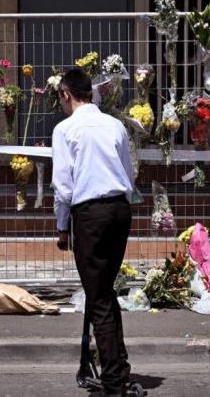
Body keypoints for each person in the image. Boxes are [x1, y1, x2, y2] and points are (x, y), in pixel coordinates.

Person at [51, 68, 135, 397]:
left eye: (60, 95)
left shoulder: (65, 129)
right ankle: (119, 367)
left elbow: (63, 186)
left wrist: (61, 227)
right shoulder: (115, 125)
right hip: (119, 210)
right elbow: (128, 173)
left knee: (98, 297)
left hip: (91, 214)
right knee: (106, 290)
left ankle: (114, 383)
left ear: (66, 95)